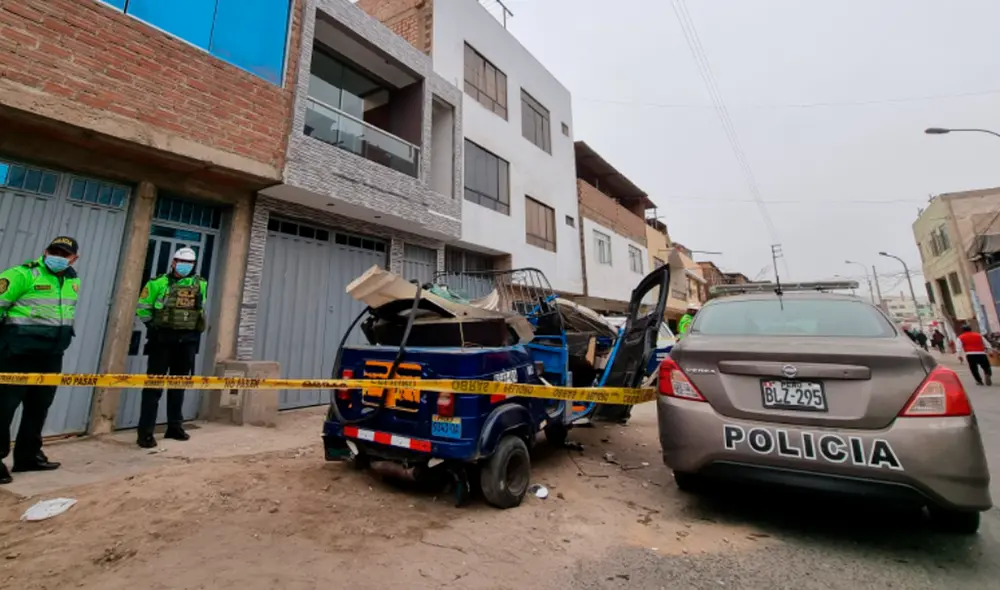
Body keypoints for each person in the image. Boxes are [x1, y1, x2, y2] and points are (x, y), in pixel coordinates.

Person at [0, 237, 80, 484]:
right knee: (3, 408)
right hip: (17, 353)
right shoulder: (21, 275)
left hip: (51, 355)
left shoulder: (72, 280)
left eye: (64, 254)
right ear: (45, 252)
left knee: (39, 407)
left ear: (74, 259)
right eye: (54, 251)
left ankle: (28, 456)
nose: (58, 256)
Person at [135, 247, 207, 448]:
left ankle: (175, 427)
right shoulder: (157, 283)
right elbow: (143, 308)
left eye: (189, 263)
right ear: (173, 262)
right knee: (153, 387)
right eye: (180, 261)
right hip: (162, 341)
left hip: (187, 342)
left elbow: (199, 310)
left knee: (178, 386)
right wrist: (154, 327)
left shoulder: (200, 284)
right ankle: (145, 432)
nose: (185, 266)